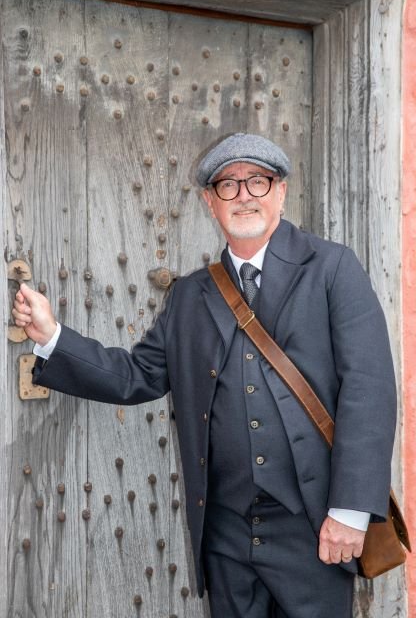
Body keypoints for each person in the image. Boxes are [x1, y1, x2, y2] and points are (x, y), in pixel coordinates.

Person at [13, 133, 396, 618]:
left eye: (257, 181)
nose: (244, 195)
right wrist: (52, 336)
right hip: (226, 535)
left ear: (280, 192)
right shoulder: (190, 295)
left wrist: (350, 512)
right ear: (210, 203)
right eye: (227, 185)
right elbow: (137, 374)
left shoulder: (332, 267)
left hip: (316, 527)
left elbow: (369, 389)